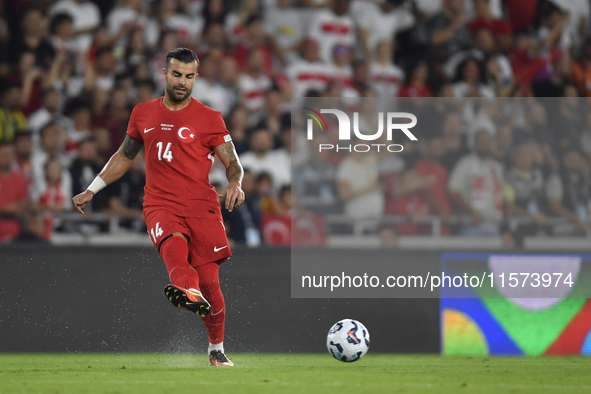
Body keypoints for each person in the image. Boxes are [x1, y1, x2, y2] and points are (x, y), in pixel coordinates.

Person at [72, 48, 245, 367]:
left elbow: (232, 163)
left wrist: (235, 183)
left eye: (189, 76)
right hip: (160, 204)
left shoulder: (210, 118)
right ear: (164, 74)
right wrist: (92, 188)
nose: (182, 81)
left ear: (196, 77)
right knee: (175, 251)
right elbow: (124, 156)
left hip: (202, 207)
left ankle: (216, 348)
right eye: (176, 74)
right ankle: (187, 292)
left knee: (210, 282)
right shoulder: (143, 113)